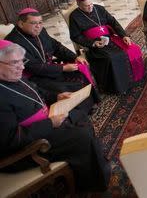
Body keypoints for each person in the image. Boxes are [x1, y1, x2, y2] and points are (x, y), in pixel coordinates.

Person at [0, 40, 111, 192]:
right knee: (81, 136)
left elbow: (36, 91)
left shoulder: (11, 75)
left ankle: (86, 168)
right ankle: (93, 183)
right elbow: (11, 139)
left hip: (42, 122)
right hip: (26, 149)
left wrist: (56, 96)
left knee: (79, 116)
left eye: (21, 61)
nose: (22, 67)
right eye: (14, 63)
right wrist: (50, 123)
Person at [5, 8, 99, 113]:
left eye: (40, 22)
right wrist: (62, 68)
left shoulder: (41, 31)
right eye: (34, 23)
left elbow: (56, 46)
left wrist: (74, 57)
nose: (38, 26)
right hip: (35, 77)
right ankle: (75, 114)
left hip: (51, 69)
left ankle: (88, 105)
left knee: (79, 74)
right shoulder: (13, 42)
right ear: (21, 24)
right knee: (63, 88)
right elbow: (32, 66)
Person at [69, 0, 144, 93]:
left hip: (111, 39)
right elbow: (75, 36)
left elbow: (113, 22)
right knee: (111, 57)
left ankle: (132, 80)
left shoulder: (99, 8)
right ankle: (118, 87)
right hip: (94, 45)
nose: (91, 7)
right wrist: (93, 43)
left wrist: (123, 35)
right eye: (86, 6)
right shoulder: (74, 16)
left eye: (91, 4)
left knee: (132, 49)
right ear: (78, 4)